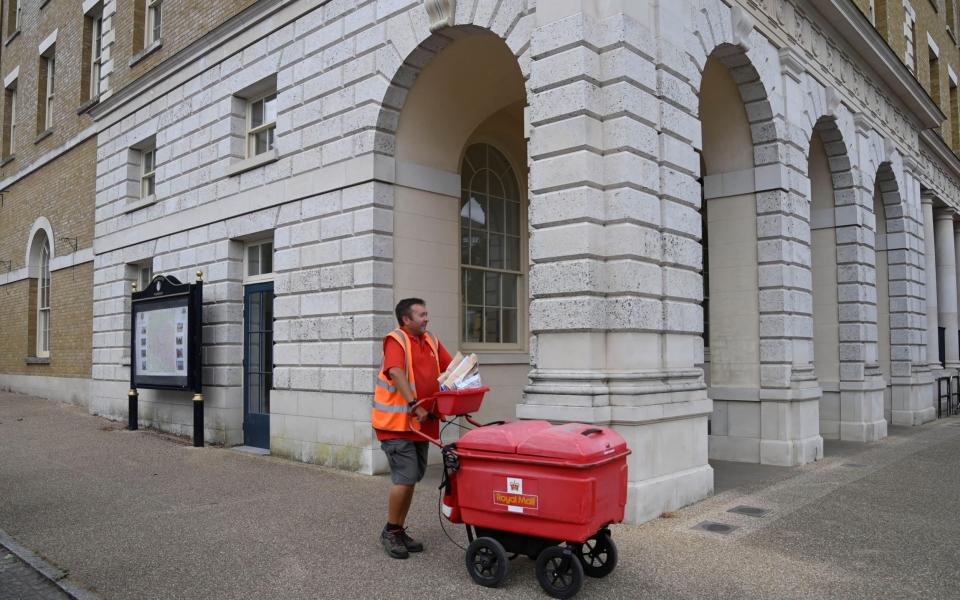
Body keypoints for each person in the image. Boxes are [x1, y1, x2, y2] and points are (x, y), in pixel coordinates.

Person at [372, 298, 452, 559]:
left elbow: (451, 369)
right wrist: (414, 404)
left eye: (427, 313)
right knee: (405, 477)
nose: (426, 318)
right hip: (397, 425)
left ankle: (396, 529)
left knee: (413, 477)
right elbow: (395, 372)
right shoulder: (397, 340)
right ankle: (390, 532)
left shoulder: (430, 340)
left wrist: (468, 383)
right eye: (421, 315)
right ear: (406, 319)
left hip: (420, 424)